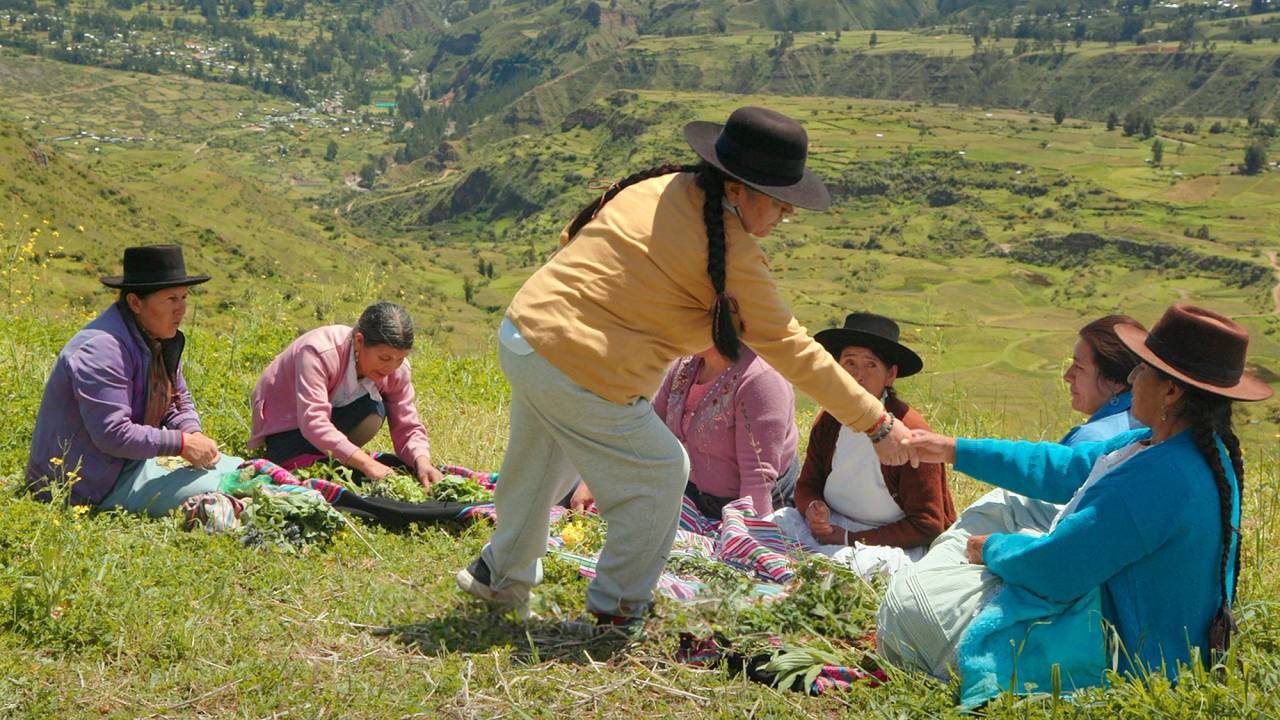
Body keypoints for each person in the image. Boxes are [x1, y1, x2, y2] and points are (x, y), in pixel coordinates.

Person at [456, 106, 918, 631]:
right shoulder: (733, 256)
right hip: (578, 365)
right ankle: (619, 606)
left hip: (525, 336)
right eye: (780, 205)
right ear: (739, 190)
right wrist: (875, 422)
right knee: (659, 472)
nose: (785, 217)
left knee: (541, 461)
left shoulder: (657, 188)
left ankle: (499, 574)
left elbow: (576, 242)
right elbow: (794, 349)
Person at [880, 303, 1271, 701]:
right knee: (998, 514)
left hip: (1124, 658)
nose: (1132, 378)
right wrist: (952, 449)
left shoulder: (1160, 477)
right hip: (1152, 638)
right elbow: (1065, 468)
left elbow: (1055, 569)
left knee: (909, 601)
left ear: (1171, 390)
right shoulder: (1183, 448)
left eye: (1143, 370)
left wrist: (992, 548)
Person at [26, 245, 241, 513]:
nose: (182, 309)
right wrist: (182, 444)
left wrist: (192, 432)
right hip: (86, 483)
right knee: (224, 487)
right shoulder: (101, 349)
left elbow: (176, 399)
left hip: (129, 462)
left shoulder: (158, 337)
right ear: (135, 302)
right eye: (171, 299)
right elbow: (113, 434)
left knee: (239, 470)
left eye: (184, 297)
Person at [772, 313, 954, 574]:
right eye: (849, 363)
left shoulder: (910, 432)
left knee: (848, 573)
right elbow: (808, 484)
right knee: (771, 527)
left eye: (870, 365)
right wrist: (813, 508)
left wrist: (848, 539)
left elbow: (927, 524)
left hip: (888, 542)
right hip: (833, 526)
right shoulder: (829, 419)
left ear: (890, 375)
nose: (858, 376)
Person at [573, 346, 799, 519]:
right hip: (691, 497)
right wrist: (596, 481)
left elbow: (757, 479)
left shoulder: (760, 379)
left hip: (747, 506)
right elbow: (646, 432)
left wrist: (746, 545)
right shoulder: (687, 364)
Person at [248, 301, 444, 488]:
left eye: (400, 359)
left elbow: (407, 424)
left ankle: (333, 457)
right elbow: (313, 421)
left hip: (332, 415)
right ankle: (308, 459)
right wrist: (368, 464)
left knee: (374, 411)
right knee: (295, 462)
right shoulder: (318, 352)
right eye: (384, 358)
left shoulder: (396, 371)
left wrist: (422, 461)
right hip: (287, 423)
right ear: (359, 341)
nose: (391, 367)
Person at [1060, 314, 1146, 447]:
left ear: (1116, 381)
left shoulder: (1089, 441)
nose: (1067, 376)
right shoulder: (1156, 426)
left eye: (1079, 367)